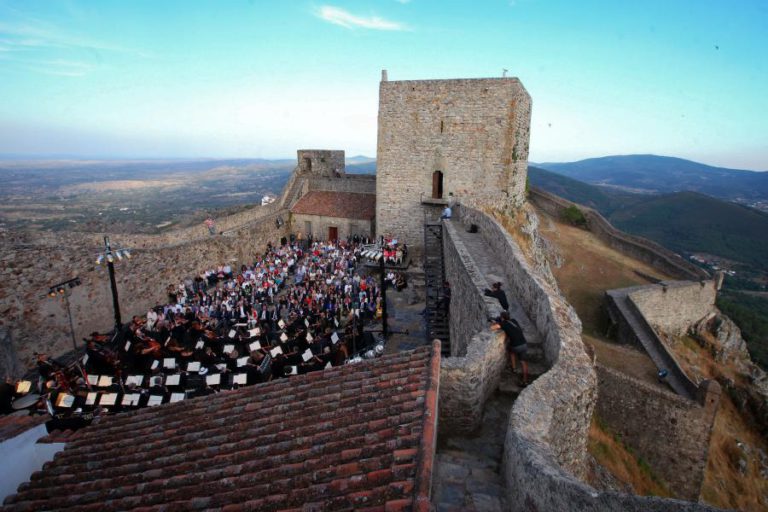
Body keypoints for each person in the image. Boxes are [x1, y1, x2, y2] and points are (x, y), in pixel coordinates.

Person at [492, 311, 529, 386]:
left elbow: (493, 328)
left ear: (502, 318)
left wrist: (495, 322)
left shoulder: (503, 324)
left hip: (516, 346)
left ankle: (514, 368)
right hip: (524, 344)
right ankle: (525, 381)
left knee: (511, 351)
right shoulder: (514, 320)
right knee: (523, 362)